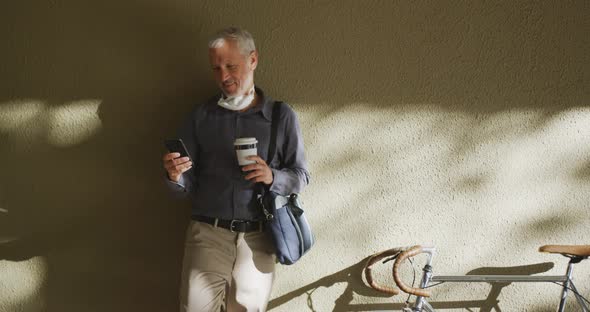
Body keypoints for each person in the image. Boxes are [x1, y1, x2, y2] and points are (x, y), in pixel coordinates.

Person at [162, 27, 310, 312]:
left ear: (253, 60)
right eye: (216, 68)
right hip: (207, 233)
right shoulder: (200, 117)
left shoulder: (281, 116)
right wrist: (174, 174)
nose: (224, 76)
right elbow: (184, 186)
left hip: (260, 236)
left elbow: (301, 177)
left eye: (231, 66)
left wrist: (272, 177)